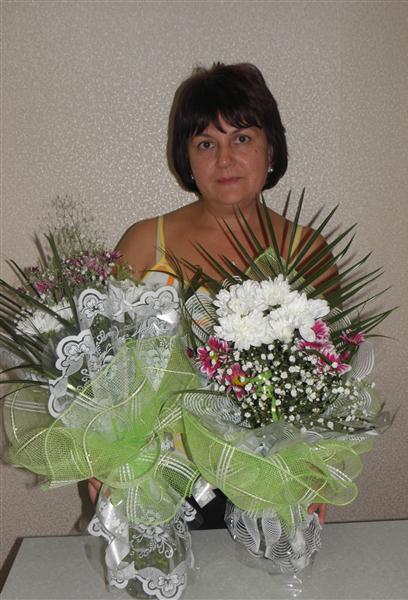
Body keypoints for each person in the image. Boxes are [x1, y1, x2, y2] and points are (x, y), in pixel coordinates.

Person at [89, 62, 333, 526]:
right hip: (158, 475)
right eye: (205, 143)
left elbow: (332, 378)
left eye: (241, 138)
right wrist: (103, 457)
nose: (224, 159)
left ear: (271, 148)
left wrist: (318, 467)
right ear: (186, 158)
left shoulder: (307, 251)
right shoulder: (144, 243)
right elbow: (102, 370)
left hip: (274, 476)